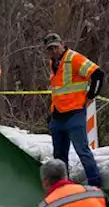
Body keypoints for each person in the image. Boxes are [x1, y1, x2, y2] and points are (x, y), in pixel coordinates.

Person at [45, 32, 105, 187]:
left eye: (55, 47)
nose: (53, 51)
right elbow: (58, 89)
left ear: (62, 44)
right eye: (50, 49)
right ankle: (61, 186)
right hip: (58, 115)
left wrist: (91, 94)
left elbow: (98, 74)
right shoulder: (52, 63)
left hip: (74, 113)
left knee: (82, 151)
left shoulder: (74, 58)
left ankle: (95, 184)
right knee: (59, 156)